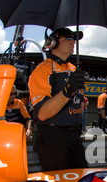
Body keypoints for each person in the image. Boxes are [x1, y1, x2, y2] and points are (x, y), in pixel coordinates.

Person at [28, 27, 87, 171]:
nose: (73, 42)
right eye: (68, 38)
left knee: (82, 180)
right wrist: (68, 90)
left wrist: (82, 101)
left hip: (74, 135)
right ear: (52, 42)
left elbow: (78, 102)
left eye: (74, 38)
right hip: (52, 137)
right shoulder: (42, 70)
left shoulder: (73, 68)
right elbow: (42, 113)